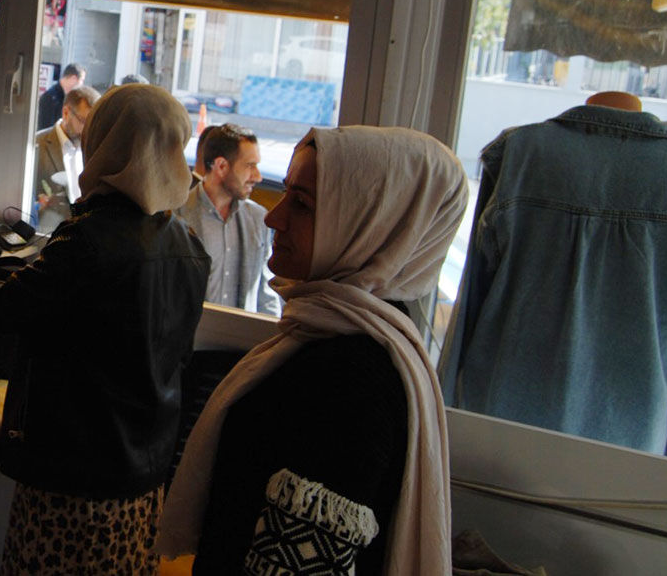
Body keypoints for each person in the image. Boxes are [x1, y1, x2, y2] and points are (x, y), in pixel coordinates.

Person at [0, 83, 208, 576]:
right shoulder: (187, 243)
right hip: (142, 478)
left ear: (105, 145)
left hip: (75, 484)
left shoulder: (89, 238)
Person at [158, 126, 468, 576]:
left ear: (371, 228)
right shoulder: (335, 336)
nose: (274, 218)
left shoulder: (350, 379)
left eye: (301, 204)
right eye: (287, 194)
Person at [438, 93, 667, 457]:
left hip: (501, 429)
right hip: (632, 446)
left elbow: (470, 307)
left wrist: (443, 423)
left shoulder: (521, 154)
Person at [177, 124, 278, 314]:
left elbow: (266, 296)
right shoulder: (177, 215)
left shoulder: (258, 219)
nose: (258, 176)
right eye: (250, 165)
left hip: (242, 333)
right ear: (222, 166)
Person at [32, 84, 100, 233]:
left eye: (93, 124)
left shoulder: (94, 149)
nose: (88, 130)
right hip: (47, 234)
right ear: (66, 112)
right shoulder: (36, 144)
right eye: (83, 121)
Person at [37, 62, 85, 129]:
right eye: (82, 80)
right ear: (73, 78)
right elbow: (46, 129)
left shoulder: (64, 97)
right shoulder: (50, 98)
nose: (82, 84)